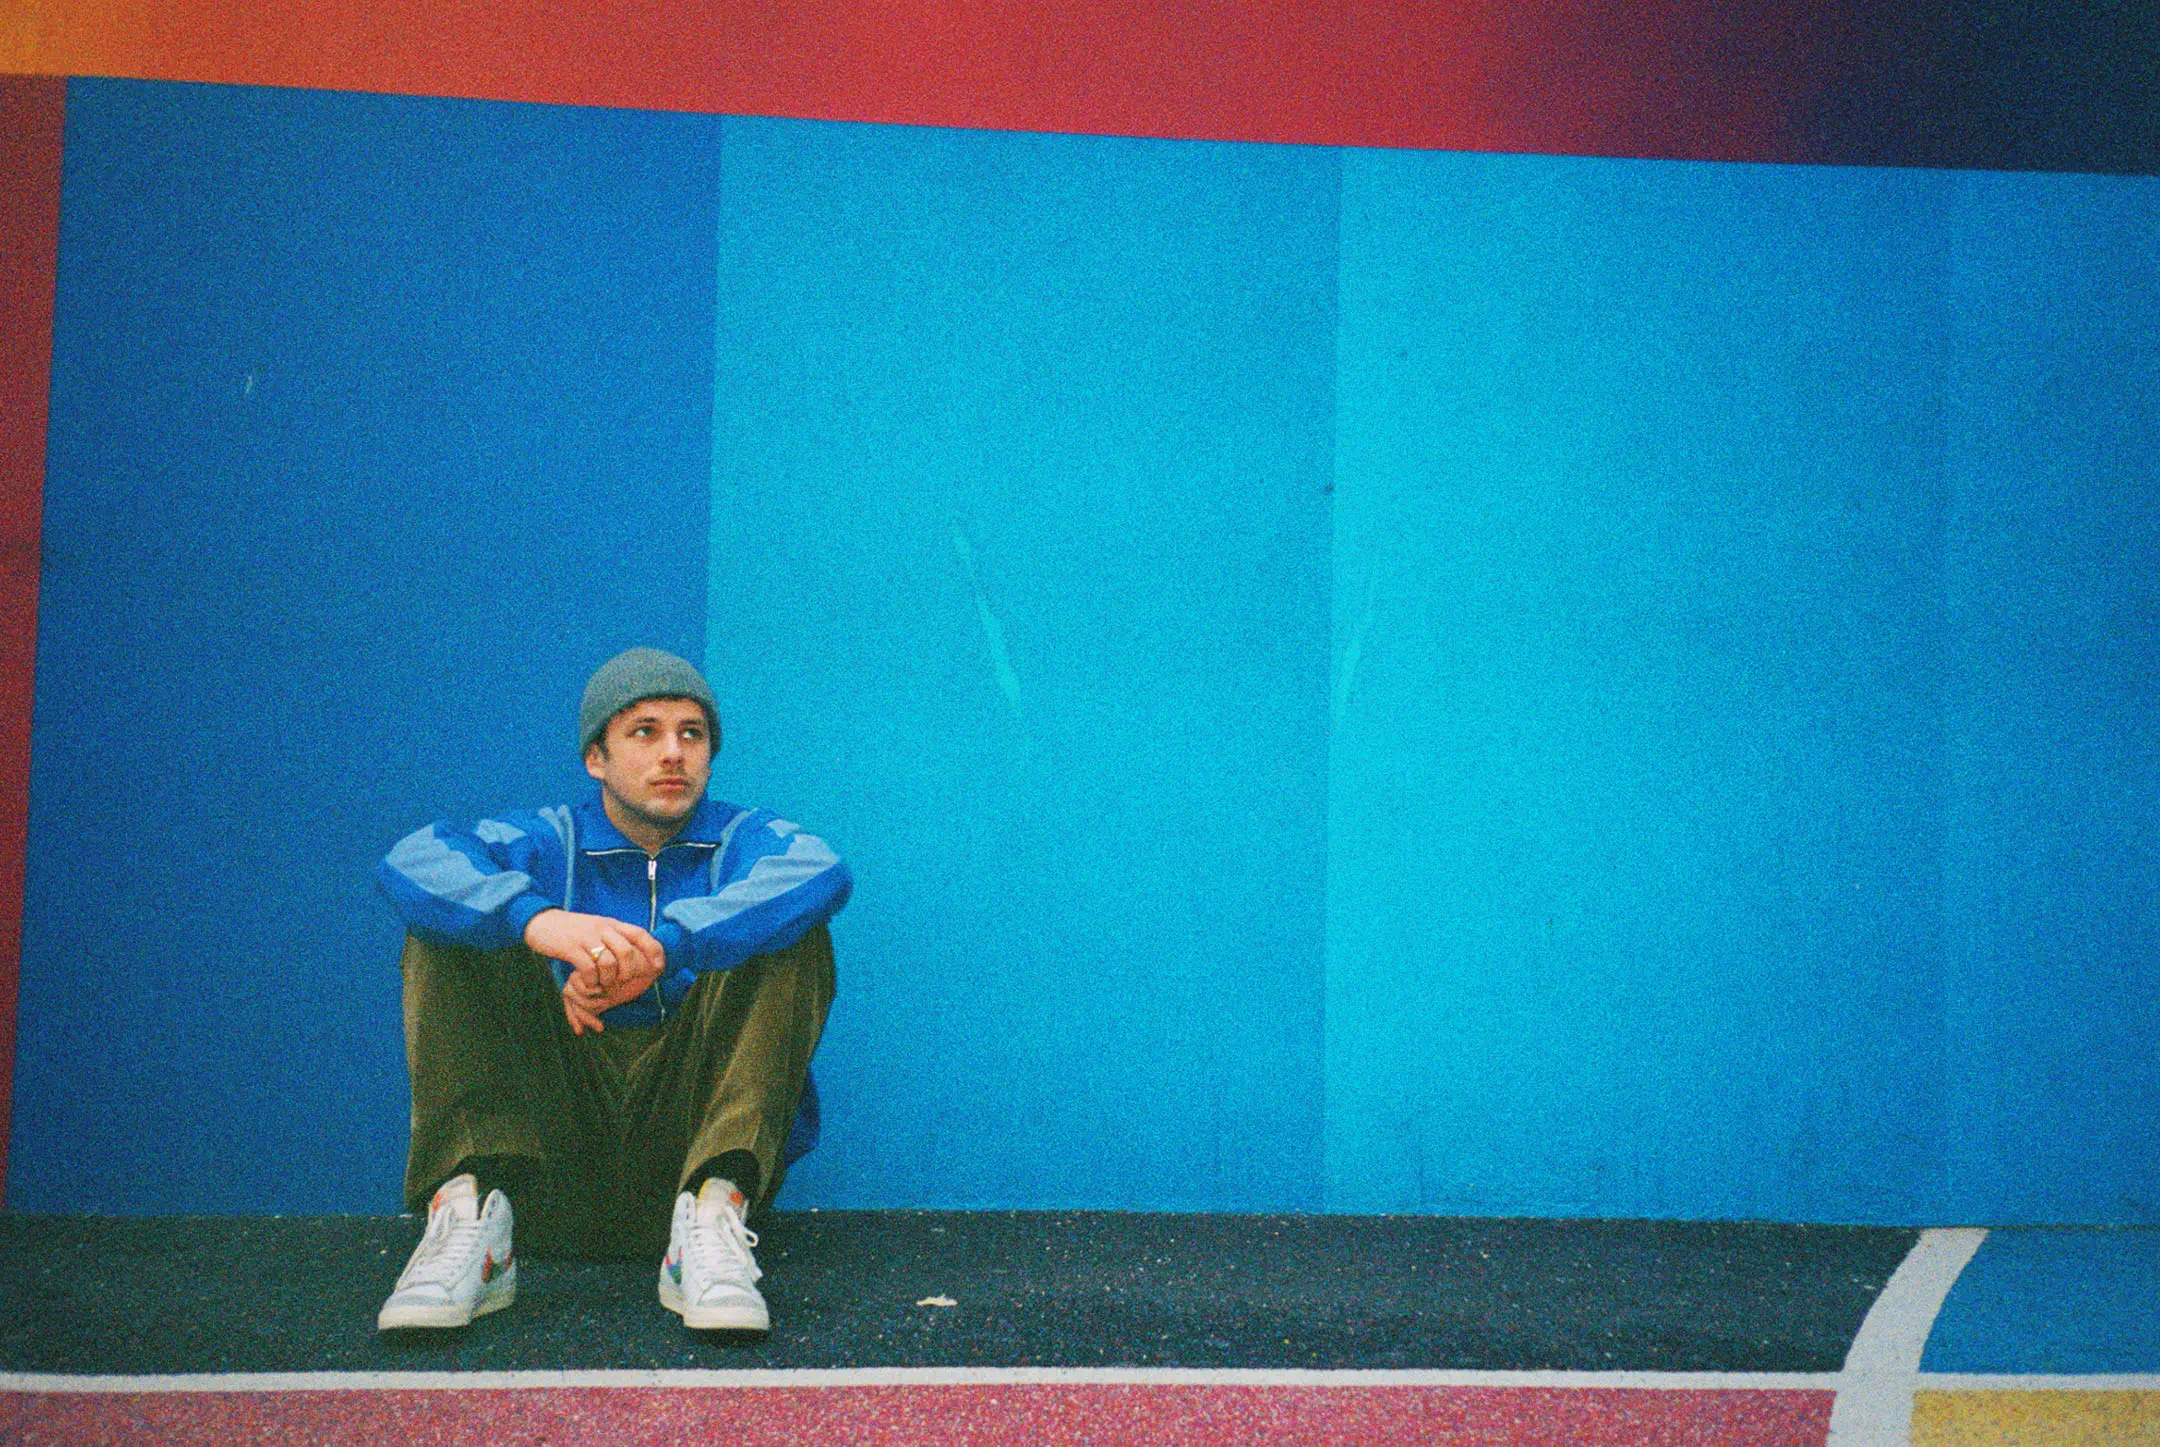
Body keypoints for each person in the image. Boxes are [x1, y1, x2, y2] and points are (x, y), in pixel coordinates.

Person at [371, 646, 849, 1333]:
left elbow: (820, 870)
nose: (673, 753)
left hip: (687, 1150)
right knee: (448, 923)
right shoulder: (543, 837)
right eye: (644, 731)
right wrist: (540, 921)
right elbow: (413, 857)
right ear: (597, 757)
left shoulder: (749, 837)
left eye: (692, 733)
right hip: (553, 1154)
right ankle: (472, 1221)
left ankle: (713, 1219)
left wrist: (663, 948)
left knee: (790, 926)